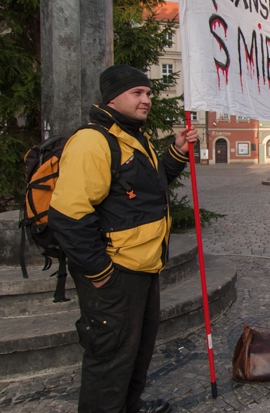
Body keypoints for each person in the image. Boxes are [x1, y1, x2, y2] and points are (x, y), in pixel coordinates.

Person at [49, 65, 196, 413]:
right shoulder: (92, 140)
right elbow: (68, 216)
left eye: (147, 93)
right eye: (137, 93)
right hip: (116, 272)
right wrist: (100, 272)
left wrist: (175, 154)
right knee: (110, 358)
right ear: (113, 98)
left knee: (138, 350)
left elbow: (147, 188)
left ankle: (130, 406)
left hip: (144, 267)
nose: (147, 99)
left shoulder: (133, 136)